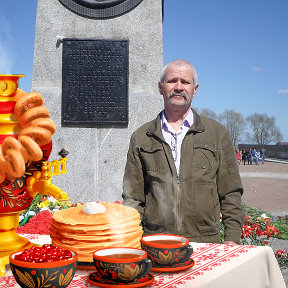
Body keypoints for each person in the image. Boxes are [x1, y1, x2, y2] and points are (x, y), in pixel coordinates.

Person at [122, 59, 244, 244]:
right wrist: (130, 240)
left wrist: (232, 239)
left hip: (205, 241)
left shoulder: (217, 134)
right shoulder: (141, 137)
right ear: (160, 87)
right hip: (156, 242)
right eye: (172, 81)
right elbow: (133, 197)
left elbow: (231, 192)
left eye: (185, 82)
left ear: (194, 90)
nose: (178, 87)